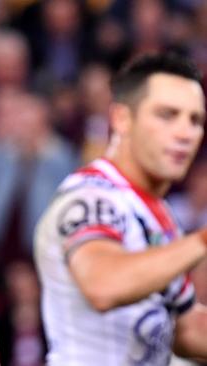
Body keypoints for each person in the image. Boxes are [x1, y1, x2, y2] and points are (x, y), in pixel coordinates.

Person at [34, 53, 207, 365]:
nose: (185, 133)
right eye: (167, 115)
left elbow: (185, 329)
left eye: (195, 120)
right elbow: (103, 284)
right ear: (122, 119)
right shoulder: (91, 196)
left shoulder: (161, 216)